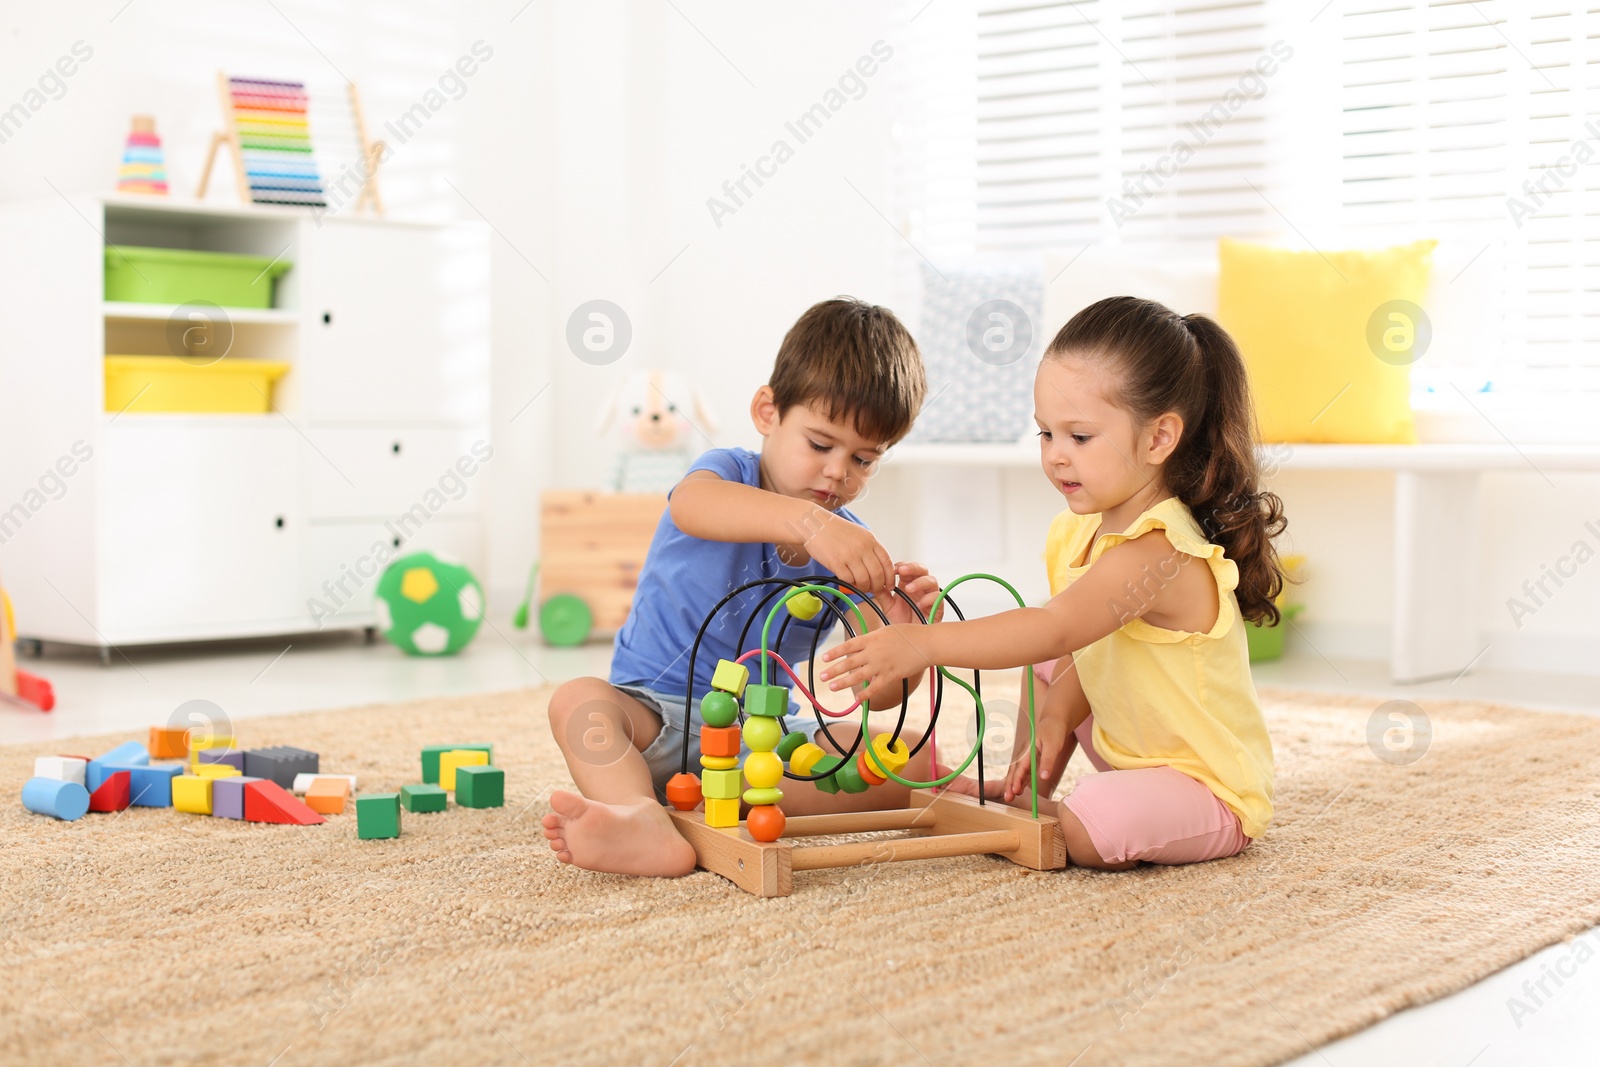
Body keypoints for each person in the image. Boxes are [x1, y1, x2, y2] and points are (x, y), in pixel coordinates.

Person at [820, 295, 1286, 870]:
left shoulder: (1159, 551)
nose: (1056, 457)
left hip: (1207, 790)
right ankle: (1023, 791)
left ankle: (1067, 811)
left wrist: (922, 644)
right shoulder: (1076, 534)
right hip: (1132, 756)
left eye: (1079, 437)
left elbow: (1055, 627)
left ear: (1159, 438)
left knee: (1092, 824)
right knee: (1049, 666)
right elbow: (1085, 645)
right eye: (1045, 434)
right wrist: (1058, 716)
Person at [542, 297, 942, 877]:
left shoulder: (849, 544)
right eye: (821, 445)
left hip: (766, 741)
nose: (838, 473)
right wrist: (813, 525)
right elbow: (692, 506)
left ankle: (706, 804)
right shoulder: (727, 472)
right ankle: (639, 816)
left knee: (917, 763)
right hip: (654, 721)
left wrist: (903, 637)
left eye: (863, 459)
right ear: (767, 412)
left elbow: (880, 696)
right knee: (577, 702)